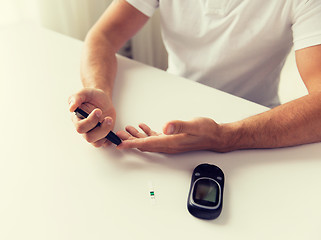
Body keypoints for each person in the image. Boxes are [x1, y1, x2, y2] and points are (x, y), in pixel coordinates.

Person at [68, 0, 321, 154]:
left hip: (256, 127)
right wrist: (98, 88)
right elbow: (103, 36)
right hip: (168, 116)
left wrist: (226, 137)